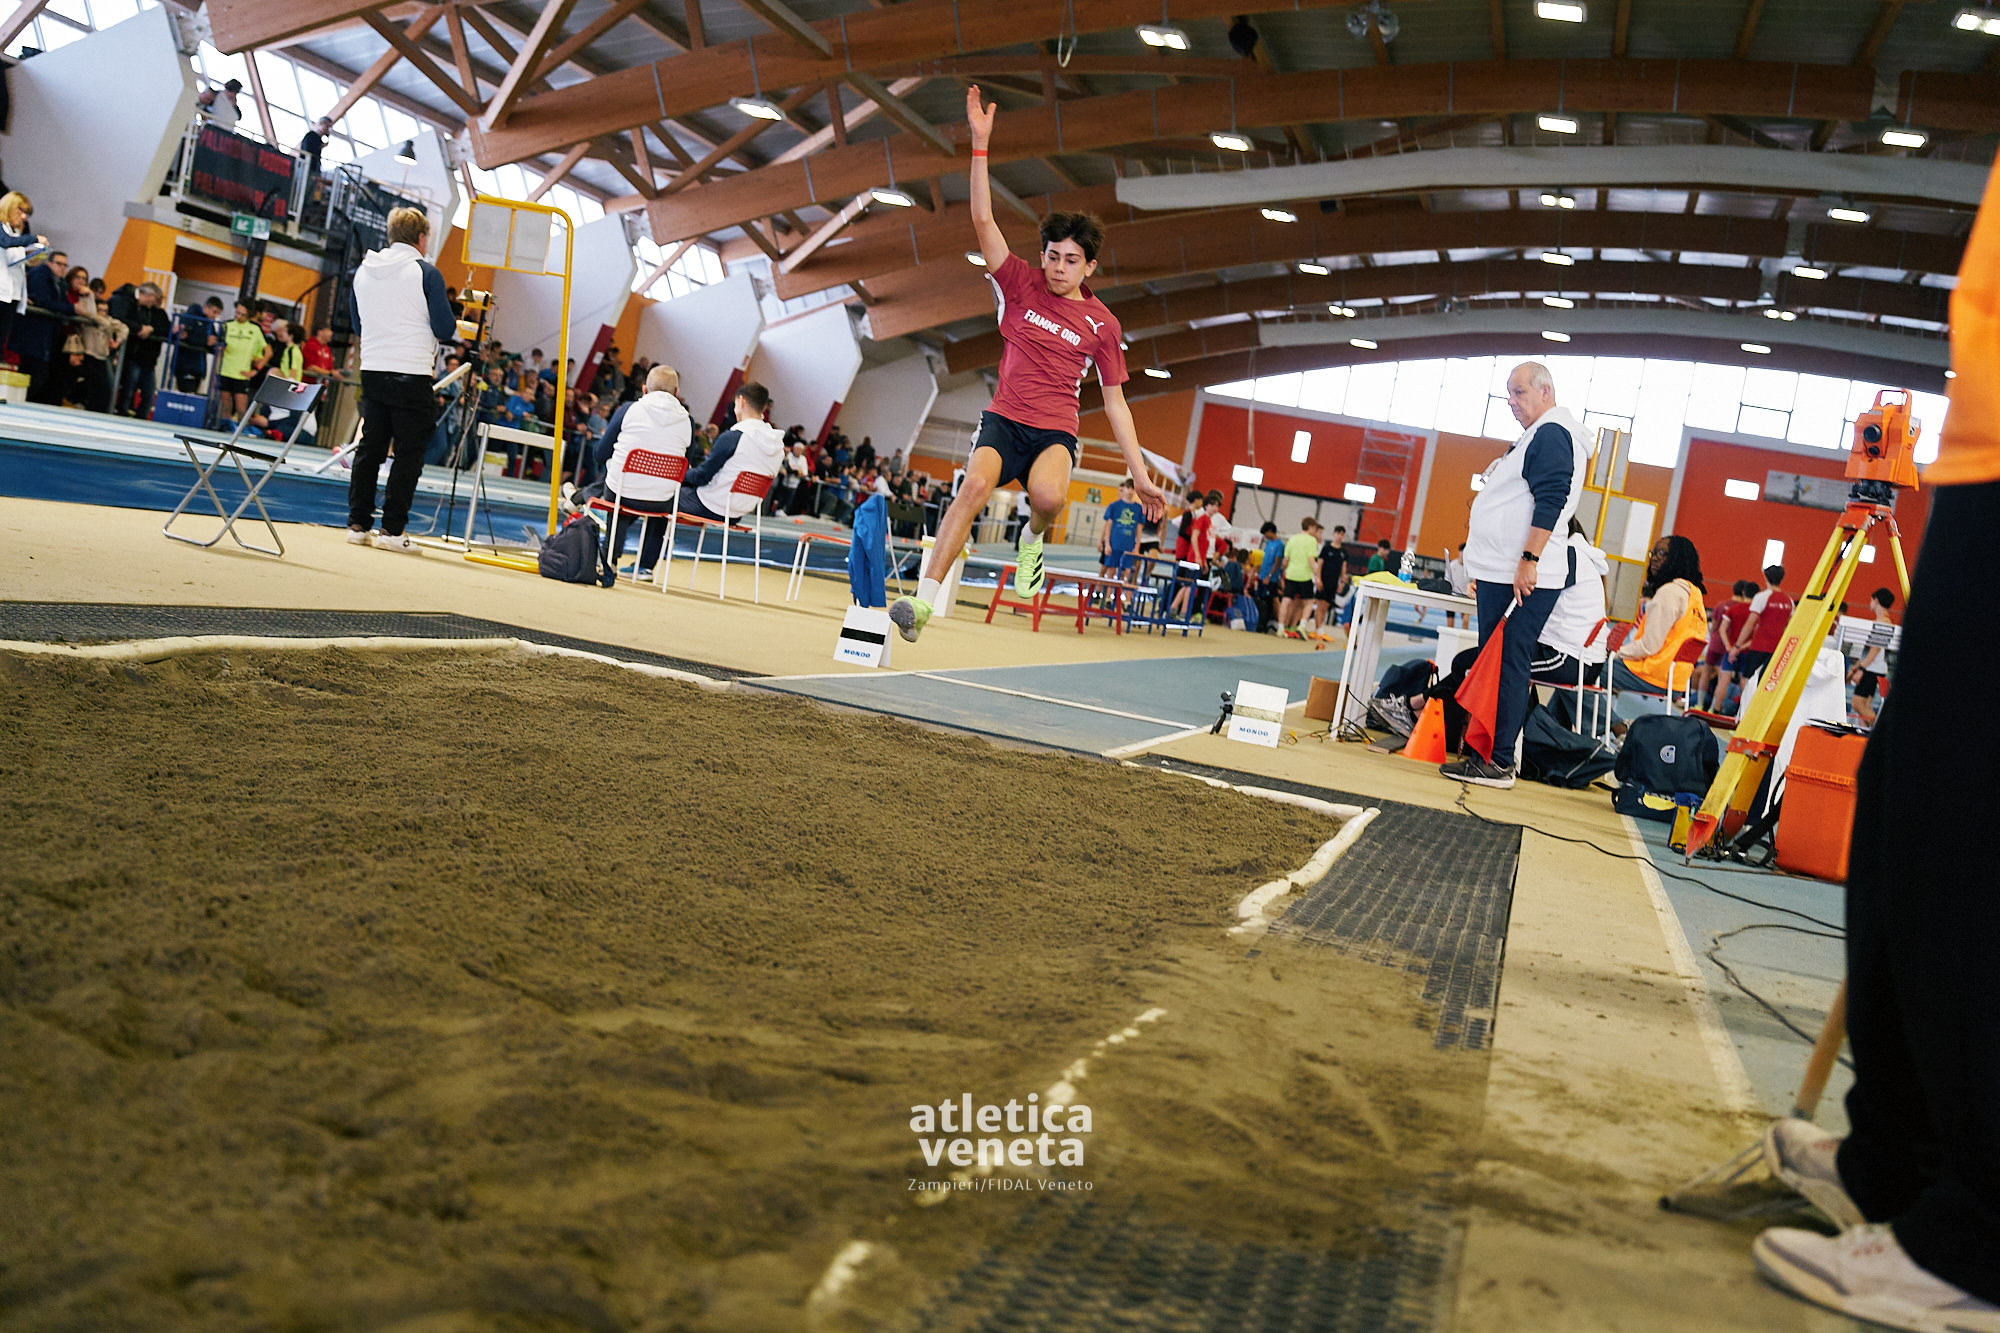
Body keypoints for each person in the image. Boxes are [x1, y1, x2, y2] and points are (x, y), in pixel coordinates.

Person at [1749, 161, 2000, 1333]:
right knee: (1900, 806)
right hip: (1978, 446)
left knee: (1966, 828)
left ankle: (1979, 1239)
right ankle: (1896, 1161)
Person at [888, 85, 1166, 643]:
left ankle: (1031, 539)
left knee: (1048, 498)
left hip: (1055, 429)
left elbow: (1116, 404)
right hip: (1004, 419)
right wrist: (980, 144)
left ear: (1090, 266)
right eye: (1053, 256)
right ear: (1042, 255)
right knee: (973, 488)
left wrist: (1139, 475)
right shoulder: (1019, 283)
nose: (1059, 267)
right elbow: (982, 219)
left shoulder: (1103, 325)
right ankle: (921, 603)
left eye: (1071, 260)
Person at [1442, 360, 1592, 789]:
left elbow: (1552, 499)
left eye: (1519, 392)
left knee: (1507, 663)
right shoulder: (1540, 434)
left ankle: (1499, 760)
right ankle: (1489, 756)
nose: (1511, 401)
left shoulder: (1552, 433)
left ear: (1546, 392)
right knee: (1498, 663)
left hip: (1520, 571)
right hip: (1505, 569)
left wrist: (1529, 558)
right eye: (1508, 393)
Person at [347, 205, 456, 552]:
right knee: (409, 454)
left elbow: (357, 324)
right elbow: (445, 328)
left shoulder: (363, 270)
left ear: (391, 235)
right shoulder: (426, 273)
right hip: (411, 371)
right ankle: (392, 531)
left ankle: (357, 524)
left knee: (370, 448)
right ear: (421, 238)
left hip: (373, 368)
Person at [568, 364, 691, 577]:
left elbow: (600, 453)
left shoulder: (628, 409)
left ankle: (610, 557)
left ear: (644, 389)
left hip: (623, 492)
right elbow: (686, 462)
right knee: (660, 492)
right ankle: (645, 566)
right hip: (661, 500)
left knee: (621, 481)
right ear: (677, 393)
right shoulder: (688, 420)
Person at [1605, 535, 1708, 704]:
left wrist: (1616, 653)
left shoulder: (1669, 593)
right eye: (1653, 553)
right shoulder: (1695, 597)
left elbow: (1648, 646)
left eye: (1662, 553)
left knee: (1583, 670)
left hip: (1652, 674)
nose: (1655, 558)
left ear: (1678, 557)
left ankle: (1609, 720)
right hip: (1677, 681)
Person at [674, 380, 785, 526]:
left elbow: (702, 476)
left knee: (663, 494)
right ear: (764, 407)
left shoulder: (734, 437)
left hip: (710, 505)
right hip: (737, 513)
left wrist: (680, 472)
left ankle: (656, 541)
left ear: (741, 401)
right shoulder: (777, 445)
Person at [1716, 564, 1795, 717]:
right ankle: (1759, 715)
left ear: (1765, 577)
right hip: (1777, 649)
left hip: (1759, 647)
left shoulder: (1762, 597)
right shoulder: (1789, 601)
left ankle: (1745, 715)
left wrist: (1737, 646)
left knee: (1747, 680)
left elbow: (1750, 623)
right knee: (1767, 683)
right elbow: (1789, 626)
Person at [1691, 580, 1758, 713]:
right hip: (1742, 649)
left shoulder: (1725, 606)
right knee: (1742, 681)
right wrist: (1738, 647)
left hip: (1721, 645)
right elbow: (1754, 634)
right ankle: (1740, 713)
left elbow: (1718, 627)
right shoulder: (1754, 612)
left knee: (1713, 674)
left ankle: (1704, 706)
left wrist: (1727, 646)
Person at [18, 249, 72, 404]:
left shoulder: (61, 283)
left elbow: (61, 303)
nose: (62, 268)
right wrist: (72, 308)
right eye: (59, 264)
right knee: (33, 373)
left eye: (65, 265)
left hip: (46, 336)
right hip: (33, 334)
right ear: (49, 263)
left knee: (40, 375)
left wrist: (69, 308)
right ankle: (22, 403)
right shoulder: (40, 275)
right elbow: (44, 301)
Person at [109, 280, 170, 417]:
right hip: (134, 355)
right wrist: (139, 328)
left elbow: (165, 329)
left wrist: (148, 329)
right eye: (152, 299)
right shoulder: (128, 303)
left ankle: (137, 415)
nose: (152, 302)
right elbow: (121, 318)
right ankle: (122, 413)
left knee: (147, 392)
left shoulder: (151, 311)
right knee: (128, 388)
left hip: (147, 358)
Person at [65, 271, 124, 412]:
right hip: (86, 352)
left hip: (101, 355)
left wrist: (118, 340)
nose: (98, 295)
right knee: (94, 385)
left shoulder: (106, 318)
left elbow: (123, 328)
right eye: (96, 292)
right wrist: (90, 296)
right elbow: (91, 314)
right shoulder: (87, 305)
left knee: (104, 389)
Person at [0, 191, 48, 361]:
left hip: (11, 295)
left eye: (26, 214)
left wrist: (34, 255)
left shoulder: (15, 234)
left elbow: (14, 262)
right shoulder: (3, 230)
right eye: (21, 211)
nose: (24, 217)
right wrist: (34, 239)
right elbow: (5, 242)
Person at [1849, 586, 1898, 727]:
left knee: (1857, 703)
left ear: (1876, 600)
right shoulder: (1881, 622)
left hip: (1873, 669)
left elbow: (1875, 650)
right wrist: (1856, 667)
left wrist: (1861, 669)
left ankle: (1881, 730)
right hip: (1872, 667)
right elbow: (1868, 650)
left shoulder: (1883, 623)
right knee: (1864, 707)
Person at [1169, 490, 1222, 620]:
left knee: (1189, 585)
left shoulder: (1208, 521)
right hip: (1194, 558)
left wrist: (1203, 560)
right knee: (1189, 585)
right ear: (1206, 505)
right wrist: (1198, 556)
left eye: (1217, 505)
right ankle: (1182, 611)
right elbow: (1194, 537)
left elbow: (1204, 543)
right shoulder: (1202, 519)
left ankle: (1175, 608)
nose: (1215, 508)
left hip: (1199, 558)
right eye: (1212, 505)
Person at [215, 299, 268, 423]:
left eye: (243, 314)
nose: (239, 316)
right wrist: (215, 372)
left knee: (241, 409)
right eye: (237, 313)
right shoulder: (227, 325)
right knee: (225, 405)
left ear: (249, 314)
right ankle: (224, 428)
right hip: (225, 371)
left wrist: (256, 370)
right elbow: (218, 350)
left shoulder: (255, 329)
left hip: (242, 374)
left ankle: (240, 431)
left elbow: (268, 352)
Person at [1278, 517, 1323, 640]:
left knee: (1286, 601)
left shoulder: (1292, 539)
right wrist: (1317, 576)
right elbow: (1311, 560)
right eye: (1315, 528)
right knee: (1309, 602)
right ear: (1310, 527)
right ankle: (1301, 626)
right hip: (1304, 576)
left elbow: (1285, 561)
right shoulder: (1311, 541)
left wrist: (1285, 569)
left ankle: (1280, 628)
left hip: (1291, 574)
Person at [174, 296, 224, 394]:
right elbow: (185, 335)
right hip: (185, 364)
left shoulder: (210, 324)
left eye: (218, 313)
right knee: (185, 394)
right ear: (206, 307)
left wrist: (214, 343)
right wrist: (205, 340)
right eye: (214, 312)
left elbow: (213, 339)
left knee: (193, 395)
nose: (215, 316)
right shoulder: (191, 316)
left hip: (199, 368)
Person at [1099, 479, 1145, 579]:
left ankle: (1120, 589)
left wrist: (1137, 546)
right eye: (1128, 488)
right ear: (1124, 488)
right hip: (1114, 544)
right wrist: (1106, 544)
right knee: (1110, 570)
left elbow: (1139, 529)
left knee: (1126, 572)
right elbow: (1108, 526)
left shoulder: (1138, 508)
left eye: (1133, 489)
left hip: (1128, 546)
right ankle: (1106, 589)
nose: (1130, 491)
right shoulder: (1114, 506)